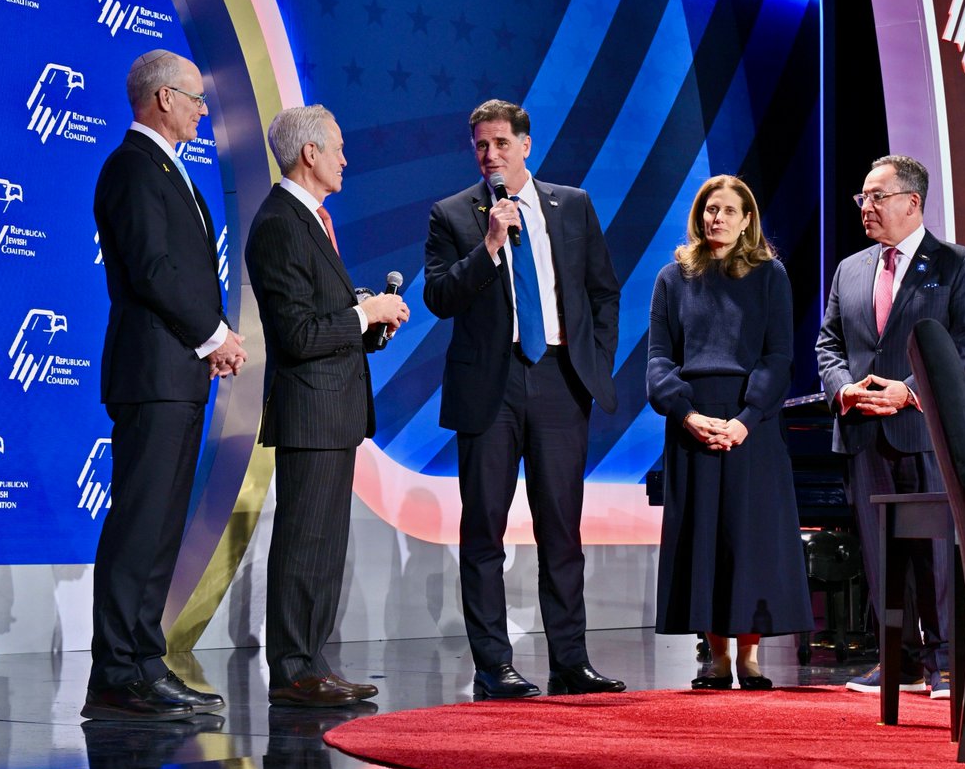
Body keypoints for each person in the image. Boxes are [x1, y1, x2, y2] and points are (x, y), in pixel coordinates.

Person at [424, 100, 623, 698]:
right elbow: (438, 296)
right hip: (492, 384)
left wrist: (591, 363)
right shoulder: (453, 214)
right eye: (481, 146)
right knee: (484, 527)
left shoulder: (574, 205)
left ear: (526, 145)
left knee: (561, 528)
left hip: (561, 380)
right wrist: (487, 247)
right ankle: (494, 666)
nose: (491, 156)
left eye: (501, 144)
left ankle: (571, 660)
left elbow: (602, 293)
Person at [85, 49, 247, 721]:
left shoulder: (169, 170)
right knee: (139, 524)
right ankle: (118, 670)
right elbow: (155, 269)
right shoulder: (131, 167)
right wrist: (214, 334)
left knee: (161, 528)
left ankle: (147, 661)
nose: (203, 110)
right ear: (161, 100)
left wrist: (204, 342)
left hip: (176, 373)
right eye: (195, 98)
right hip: (152, 372)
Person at [245, 105, 409, 707]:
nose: (345, 158)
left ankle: (313, 661)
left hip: (332, 410)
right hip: (311, 412)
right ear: (308, 153)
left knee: (324, 545)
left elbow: (320, 321)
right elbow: (297, 334)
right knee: (305, 543)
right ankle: (294, 668)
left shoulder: (310, 220)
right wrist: (363, 313)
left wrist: (366, 324)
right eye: (337, 148)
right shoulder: (281, 223)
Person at [815, 155, 965, 699]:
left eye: (876, 196)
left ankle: (943, 662)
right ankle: (899, 661)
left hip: (923, 428)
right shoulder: (851, 268)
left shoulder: (956, 263)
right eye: (862, 198)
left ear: (912, 203)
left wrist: (909, 389)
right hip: (863, 432)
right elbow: (829, 344)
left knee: (934, 553)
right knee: (878, 552)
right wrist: (845, 388)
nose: (865, 207)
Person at [647, 175, 814, 690]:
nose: (716, 217)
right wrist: (688, 415)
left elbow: (778, 356)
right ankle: (716, 658)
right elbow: (658, 359)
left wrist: (745, 420)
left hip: (752, 423)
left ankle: (750, 659)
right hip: (692, 420)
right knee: (705, 539)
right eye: (708, 209)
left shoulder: (771, 276)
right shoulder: (672, 278)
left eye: (727, 210)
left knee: (750, 539)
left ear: (747, 220)